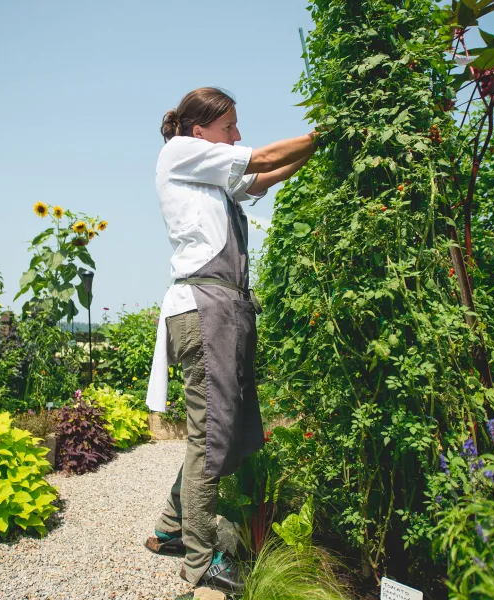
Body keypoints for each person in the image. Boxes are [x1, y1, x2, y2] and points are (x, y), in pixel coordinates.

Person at [143, 87, 317, 594]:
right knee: (208, 434)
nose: (237, 136)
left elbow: (264, 175)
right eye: (230, 127)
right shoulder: (178, 151)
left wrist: (312, 151)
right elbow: (259, 157)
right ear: (200, 132)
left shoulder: (213, 180)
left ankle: (170, 529)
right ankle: (200, 561)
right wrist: (315, 135)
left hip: (224, 309)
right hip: (203, 308)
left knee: (216, 428)